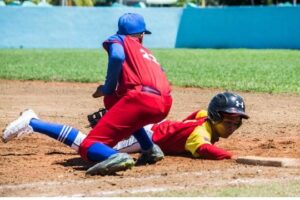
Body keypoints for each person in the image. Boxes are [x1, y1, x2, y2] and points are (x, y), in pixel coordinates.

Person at [2, 13, 172, 176]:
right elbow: (161, 74)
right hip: (164, 103)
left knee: (88, 145)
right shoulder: (147, 54)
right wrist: (111, 94)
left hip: (142, 99)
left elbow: (117, 56)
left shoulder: (119, 38)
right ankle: (149, 148)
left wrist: (107, 88)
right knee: (113, 100)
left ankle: (33, 122)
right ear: (141, 35)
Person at [114, 91, 249, 159]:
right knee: (109, 150)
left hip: (159, 125)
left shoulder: (205, 116)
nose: (232, 127)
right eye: (228, 122)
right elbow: (205, 149)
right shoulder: (199, 133)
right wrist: (231, 156)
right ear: (214, 117)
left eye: (236, 123)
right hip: (148, 135)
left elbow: (199, 113)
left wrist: (181, 128)